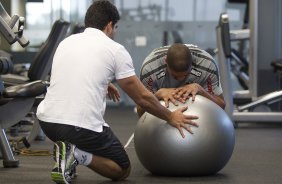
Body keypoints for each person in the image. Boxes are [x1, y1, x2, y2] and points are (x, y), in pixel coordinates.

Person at [36, 1, 199, 183]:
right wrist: (170, 116)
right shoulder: (115, 50)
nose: (115, 32)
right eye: (116, 27)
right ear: (109, 26)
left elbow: (71, 75)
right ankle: (77, 154)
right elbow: (143, 98)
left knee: (72, 133)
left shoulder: (66, 43)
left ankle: (67, 156)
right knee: (122, 169)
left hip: (47, 121)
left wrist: (104, 83)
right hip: (78, 127)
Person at [137, 43, 225, 116]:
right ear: (166, 62)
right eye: (175, 76)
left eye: (186, 75)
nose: (180, 80)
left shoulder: (207, 64)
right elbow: (140, 113)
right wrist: (157, 95)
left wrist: (201, 90)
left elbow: (221, 106)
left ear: (192, 63)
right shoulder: (150, 68)